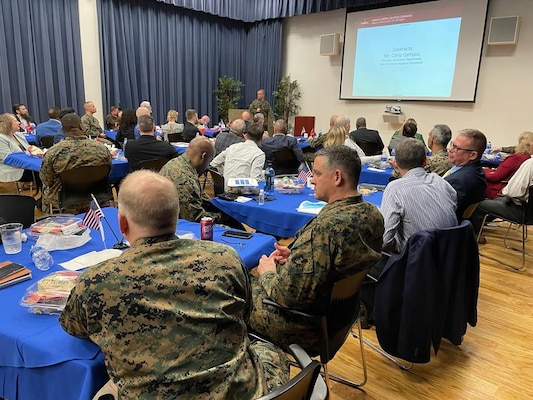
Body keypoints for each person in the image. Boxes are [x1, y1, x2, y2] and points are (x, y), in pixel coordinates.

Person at [59, 170, 288, 399]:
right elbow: (245, 314)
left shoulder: (95, 282)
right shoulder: (225, 258)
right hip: (238, 393)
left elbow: (75, 328)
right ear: (176, 216)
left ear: (122, 223)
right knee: (267, 349)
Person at [248, 146, 384, 353]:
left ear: (337, 177)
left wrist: (267, 273)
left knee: (234, 291)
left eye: (318, 174)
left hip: (304, 329)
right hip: (339, 319)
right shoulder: (372, 215)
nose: (312, 180)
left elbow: (286, 297)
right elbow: (337, 263)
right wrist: (297, 256)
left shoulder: (325, 229)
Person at [381, 139, 458, 253]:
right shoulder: (440, 181)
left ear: (395, 163)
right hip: (451, 254)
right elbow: (453, 206)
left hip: (418, 260)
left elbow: (385, 241)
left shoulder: (394, 189)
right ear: (426, 161)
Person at [40, 113, 111, 213]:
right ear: (81, 126)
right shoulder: (102, 149)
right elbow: (107, 171)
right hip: (96, 195)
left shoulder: (53, 152)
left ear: (63, 129)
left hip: (65, 200)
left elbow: (46, 179)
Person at [159, 137, 222, 222]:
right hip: (176, 225)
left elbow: (201, 197)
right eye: (209, 161)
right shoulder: (184, 178)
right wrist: (222, 216)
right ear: (203, 156)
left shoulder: (177, 163)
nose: (207, 166)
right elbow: (194, 217)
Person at [444, 129, 487, 220]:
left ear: (472, 155)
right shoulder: (477, 171)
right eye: (452, 145)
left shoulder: (458, 181)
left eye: (457, 148)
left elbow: (441, 211)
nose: (451, 150)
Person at [483, 131, 533, 199]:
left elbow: (495, 177)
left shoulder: (516, 158)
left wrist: (482, 171)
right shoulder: (528, 158)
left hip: (498, 192)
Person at [0, 113, 31, 184]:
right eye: (15, 121)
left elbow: (30, 150)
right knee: (43, 171)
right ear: (7, 124)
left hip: (27, 165)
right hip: (12, 168)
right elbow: (7, 158)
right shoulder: (1, 138)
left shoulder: (19, 135)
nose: (19, 123)